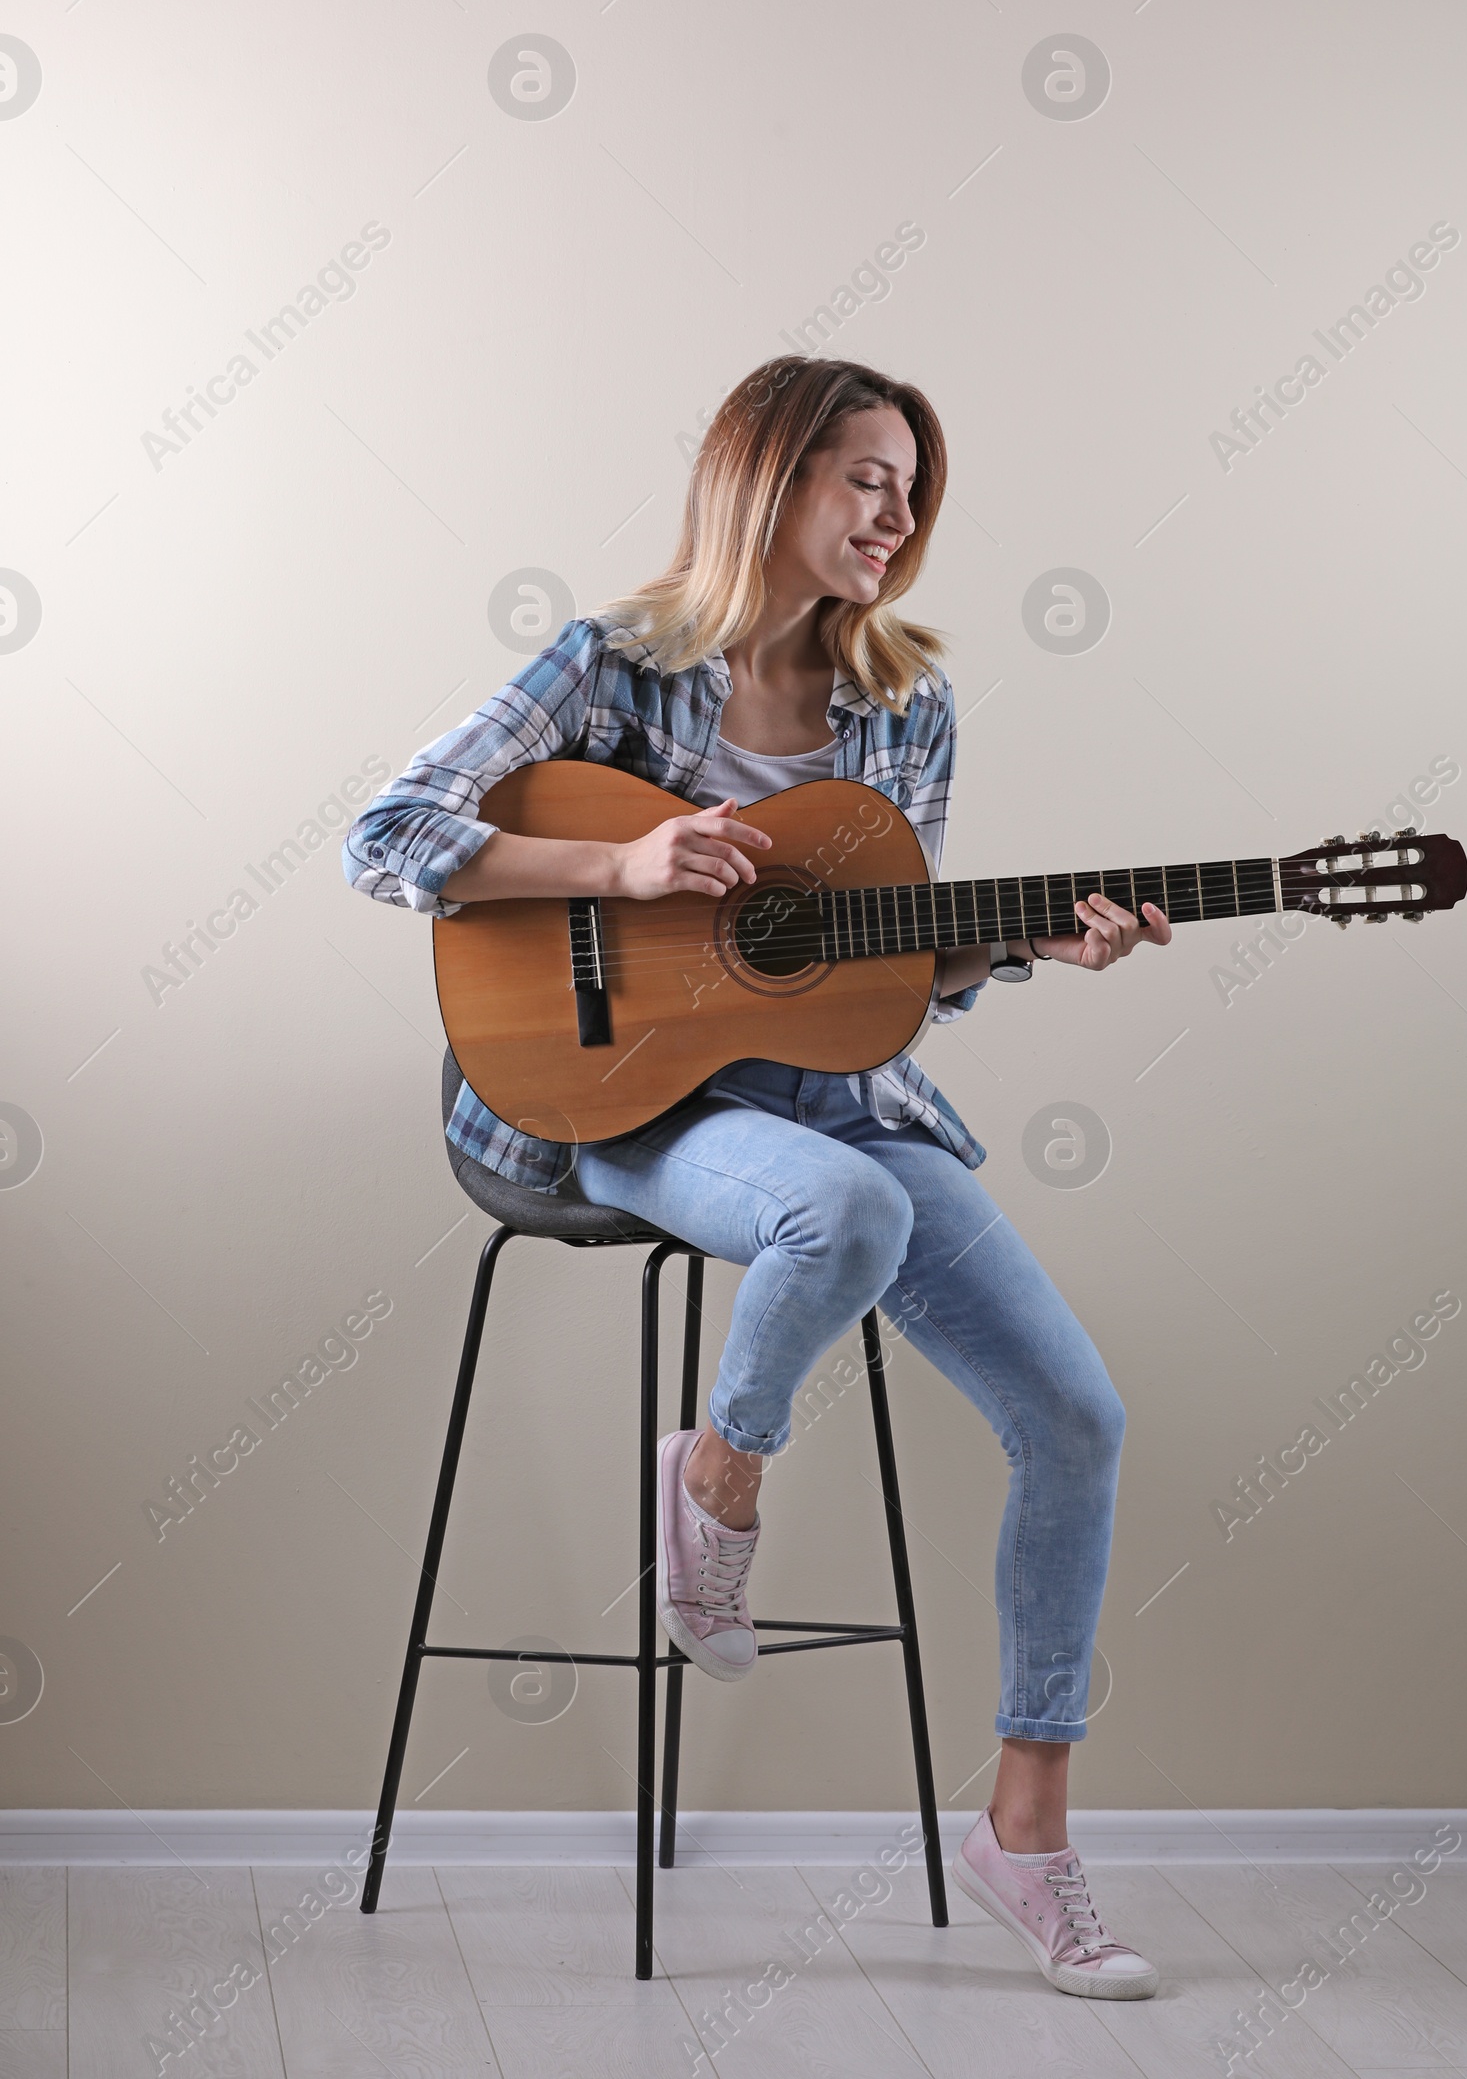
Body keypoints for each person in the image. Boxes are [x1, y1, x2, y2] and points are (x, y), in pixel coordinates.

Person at [343, 355, 1171, 2000]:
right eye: (868, 476)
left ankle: (1026, 1832)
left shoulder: (908, 703)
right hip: (625, 1106)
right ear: (769, 479)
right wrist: (623, 861)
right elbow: (388, 832)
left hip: (839, 1100)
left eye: (913, 489)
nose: (899, 514)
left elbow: (885, 980)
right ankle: (720, 1485)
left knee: (1078, 1417)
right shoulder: (614, 668)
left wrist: (1015, 944)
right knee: (841, 1214)